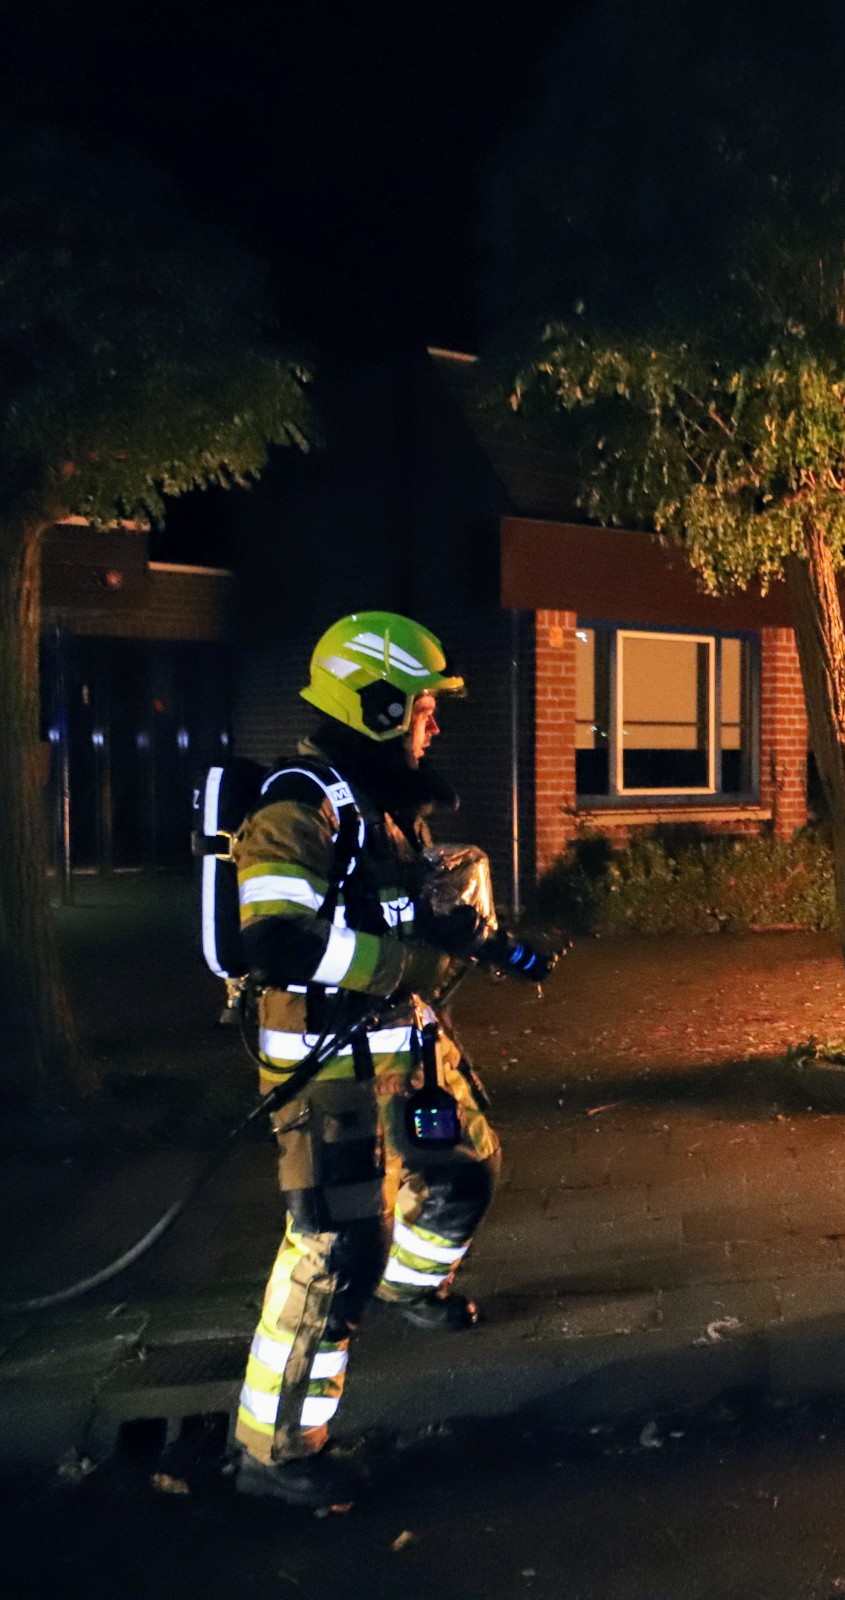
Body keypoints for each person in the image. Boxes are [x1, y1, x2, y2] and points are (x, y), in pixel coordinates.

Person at [228, 612, 554, 1509]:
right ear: (374, 707)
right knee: (337, 1246)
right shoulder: (299, 804)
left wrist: (492, 947)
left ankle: (416, 1285)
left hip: (399, 1044)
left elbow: (407, 913)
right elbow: (278, 941)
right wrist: (404, 966)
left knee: (463, 1172)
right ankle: (276, 1449)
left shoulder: (380, 806)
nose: (434, 725)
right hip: (322, 1060)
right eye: (420, 707)